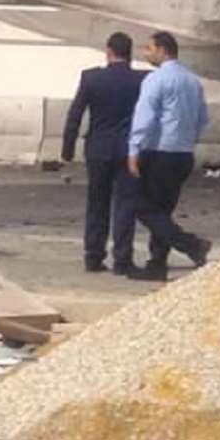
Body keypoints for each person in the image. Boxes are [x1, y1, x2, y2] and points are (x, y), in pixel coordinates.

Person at [122, 31, 212, 281]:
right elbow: (203, 118)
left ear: (162, 50)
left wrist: (134, 148)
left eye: (149, 49)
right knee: (163, 210)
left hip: (160, 151)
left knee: (139, 205)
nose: (146, 54)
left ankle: (191, 244)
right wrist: (189, 139)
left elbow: (145, 117)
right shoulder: (192, 81)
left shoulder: (156, 79)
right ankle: (157, 263)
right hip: (183, 153)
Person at [61, 32, 148, 274]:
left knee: (97, 203)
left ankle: (93, 255)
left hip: (98, 148)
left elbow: (75, 114)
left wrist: (67, 150)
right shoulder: (142, 80)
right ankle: (122, 258)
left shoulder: (91, 78)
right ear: (130, 54)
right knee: (125, 204)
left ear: (108, 52)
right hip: (128, 149)